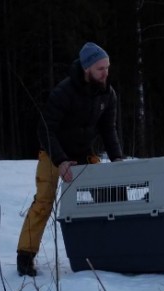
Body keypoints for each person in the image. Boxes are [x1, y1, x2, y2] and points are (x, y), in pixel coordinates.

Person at [16, 42, 123, 277]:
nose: (106, 73)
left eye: (107, 67)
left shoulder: (108, 93)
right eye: (100, 69)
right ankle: (25, 256)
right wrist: (61, 160)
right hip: (54, 154)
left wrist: (117, 160)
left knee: (110, 195)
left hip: (84, 153)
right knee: (43, 202)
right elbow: (45, 130)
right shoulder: (63, 92)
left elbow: (108, 129)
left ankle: (111, 251)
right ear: (87, 69)